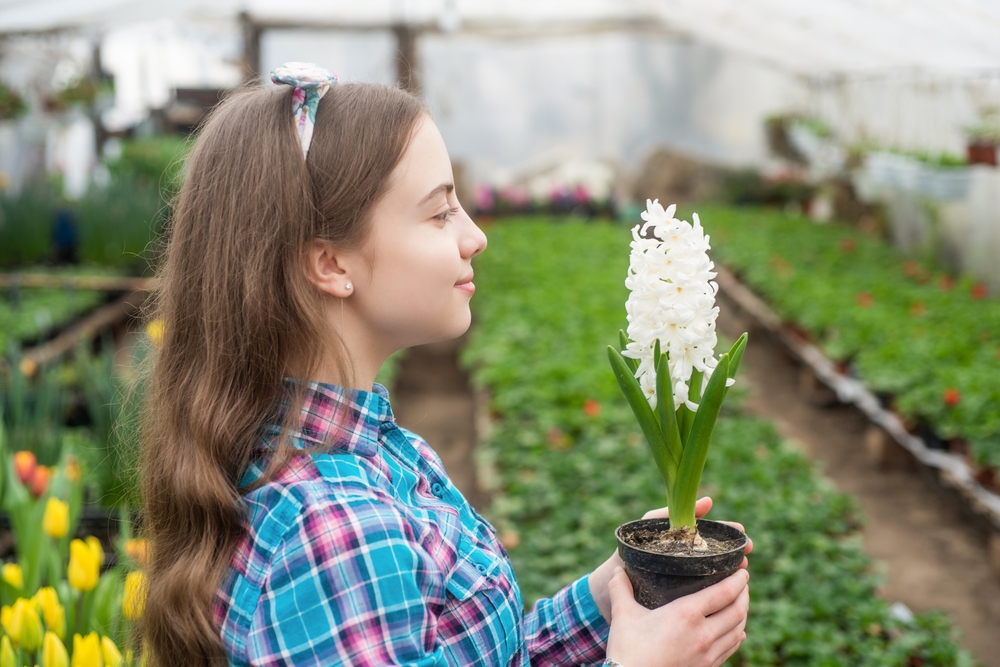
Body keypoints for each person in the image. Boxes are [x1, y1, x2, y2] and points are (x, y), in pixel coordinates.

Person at [138, 62, 751, 667]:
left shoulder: (378, 456)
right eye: (439, 212)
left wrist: (608, 599)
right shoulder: (338, 531)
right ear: (330, 264)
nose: (475, 236)